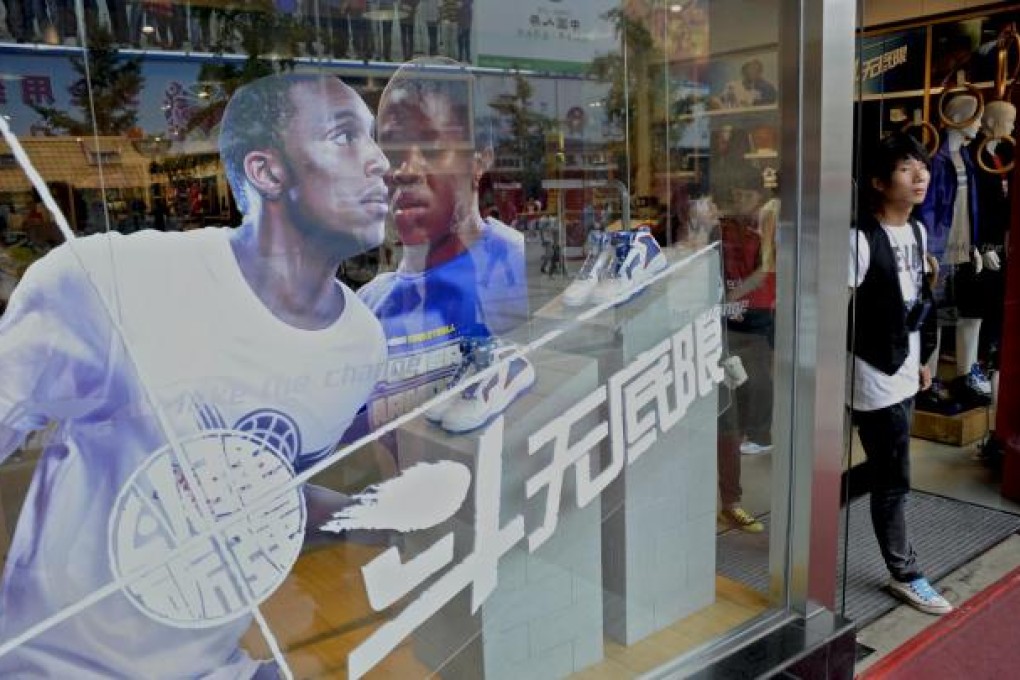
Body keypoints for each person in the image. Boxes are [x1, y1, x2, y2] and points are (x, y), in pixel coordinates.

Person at [0, 73, 391, 676]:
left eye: (373, 137)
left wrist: (382, 511)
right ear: (268, 173)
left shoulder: (360, 343)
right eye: (345, 136)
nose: (380, 162)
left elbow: (267, 492)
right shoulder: (107, 284)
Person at [357, 57, 528, 433]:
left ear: (480, 158)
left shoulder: (515, 262)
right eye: (393, 151)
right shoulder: (364, 310)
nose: (405, 169)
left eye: (431, 148)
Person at [848, 132, 951, 616]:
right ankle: (904, 572)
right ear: (877, 181)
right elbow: (834, 312)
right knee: (894, 478)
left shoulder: (915, 232)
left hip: (906, 365)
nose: (920, 176)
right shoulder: (860, 239)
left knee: (886, 465)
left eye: (922, 166)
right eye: (906, 168)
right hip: (873, 370)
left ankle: (820, 497)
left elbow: (916, 304)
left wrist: (924, 359)